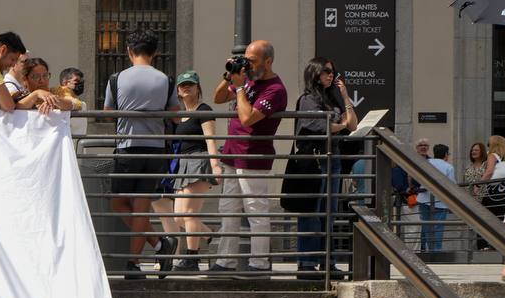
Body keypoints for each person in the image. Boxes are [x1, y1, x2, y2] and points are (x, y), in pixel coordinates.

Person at [102, 28, 179, 277]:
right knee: (141, 205)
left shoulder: (117, 78)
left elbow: (107, 113)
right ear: (155, 52)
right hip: (155, 148)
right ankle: (158, 245)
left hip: (127, 147)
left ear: (129, 51)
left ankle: (137, 260)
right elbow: (175, 116)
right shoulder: (166, 80)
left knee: (119, 203)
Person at [210, 39, 287, 274]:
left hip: (253, 157)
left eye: (252, 60)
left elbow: (247, 118)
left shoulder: (275, 89)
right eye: (246, 59)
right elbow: (218, 98)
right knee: (228, 209)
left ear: (268, 61)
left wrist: (241, 88)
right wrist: (229, 76)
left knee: (256, 210)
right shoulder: (248, 81)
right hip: (233, 154)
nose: (249, 65)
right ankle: (225, 261)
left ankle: (259, 264)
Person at [291, 57, 357, 276]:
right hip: (314, 160)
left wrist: (345, 96)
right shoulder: (308, 99)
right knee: (311, 211)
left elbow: (353, 125)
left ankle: (327, 262)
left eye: (333, 72)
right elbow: (320, 126)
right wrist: (341, 125)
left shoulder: (332, 100)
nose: (331, 75)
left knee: (328, 213)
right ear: (315, 73)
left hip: (333, 159)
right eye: (327, 71)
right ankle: (307, 264)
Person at [152, 70, 221, 273]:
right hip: (182, 165)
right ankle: (208, 235)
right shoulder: (180, 115)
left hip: (198, 161)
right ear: (178, 92)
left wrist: (215, 163)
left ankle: (192, 259)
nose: (186, 88)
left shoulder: (204, 110)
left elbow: (210, 139)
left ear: (198, 87)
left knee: (189, 213)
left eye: (190, 84)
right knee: (179, 217)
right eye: (182, 86)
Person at [416, 143, 455, 253]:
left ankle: (429, 249)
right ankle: (436, 250)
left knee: (427, 226)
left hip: (424, 199)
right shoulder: (448, 167)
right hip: (439, 201)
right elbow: (451, 186)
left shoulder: (426, 163)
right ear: (446, 154)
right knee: (438, 227)